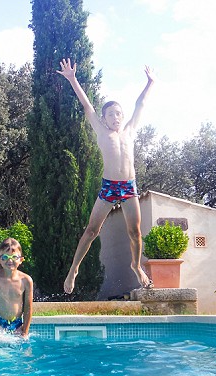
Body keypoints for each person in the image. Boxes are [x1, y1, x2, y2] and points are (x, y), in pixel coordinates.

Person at [57, 58, 155, 293]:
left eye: (118, 114)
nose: (116, 118)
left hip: (129, 187)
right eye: (111, 115)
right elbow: (87, 106)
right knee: (91, 231)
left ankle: (136, 266)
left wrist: (150, 83)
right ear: (104, 119)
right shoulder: (101, 131)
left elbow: (139, 104)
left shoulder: (130, 131)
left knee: (135, 232)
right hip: (109, 187)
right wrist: (72, 79)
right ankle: (74, 269)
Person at [0, 238, 33, 339]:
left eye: (14, 257)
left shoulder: (26, 280)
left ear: (21, 260)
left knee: (24, 352)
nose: (10, 260)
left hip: (17, 324)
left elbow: (28, 307)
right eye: (5, 257)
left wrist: (25, 332)